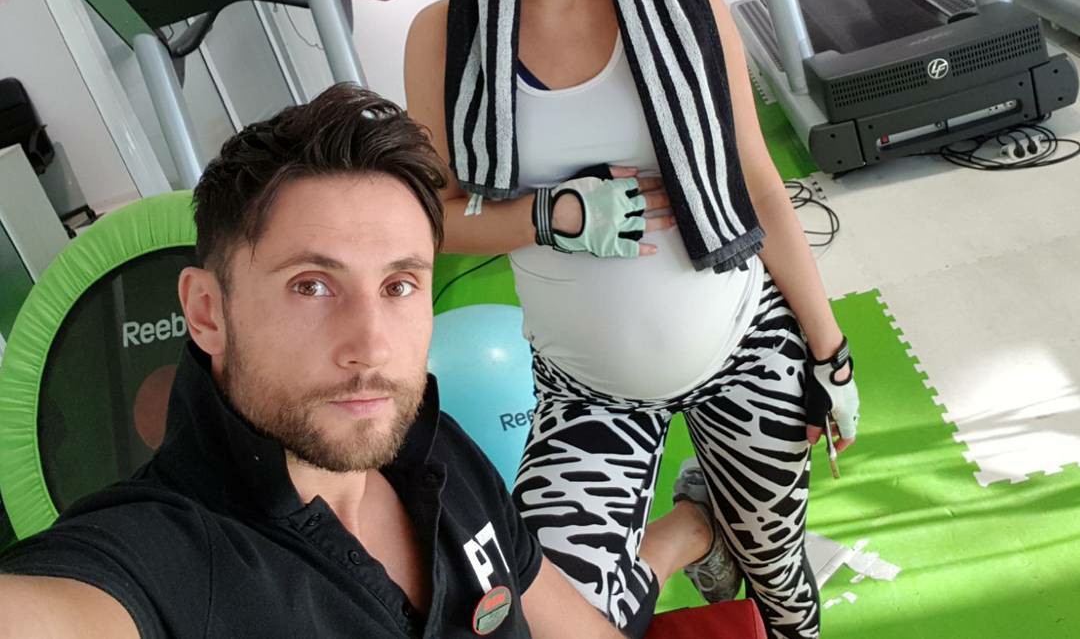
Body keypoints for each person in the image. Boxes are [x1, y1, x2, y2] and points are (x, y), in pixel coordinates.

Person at [404, 0, 861, 639]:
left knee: (780, 581)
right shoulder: (444, 36)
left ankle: (735, 538)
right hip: (587, 386)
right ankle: (694, 529)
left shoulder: (689, 2)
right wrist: (549, 215)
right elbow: (431, 217)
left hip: (744, 344)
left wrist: (830, 349)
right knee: (554, 618)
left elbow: (759, 184)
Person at [0, 84, 712, 638]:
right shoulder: (167, 562)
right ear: (208, 312)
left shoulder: (433, 447)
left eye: (399, 285)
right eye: (312, 285)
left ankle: (694, 527)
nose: (371, 346)